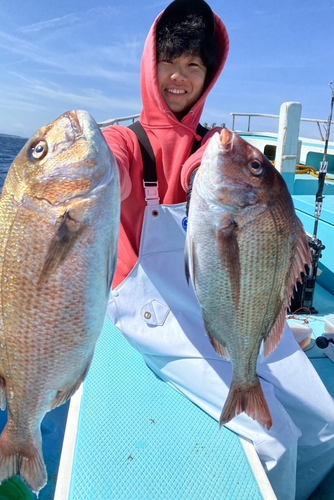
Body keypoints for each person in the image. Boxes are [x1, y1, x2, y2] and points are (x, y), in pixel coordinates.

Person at [103, 1, 334, 499]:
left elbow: (198, 171)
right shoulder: (124, 139)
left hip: (227, 300)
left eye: (194, 66)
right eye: (170, 62)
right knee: (274, 444)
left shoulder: (214, 147)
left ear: (208, 75)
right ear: (151, 64)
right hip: (151, 307)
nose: (179, 77)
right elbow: (111, 162)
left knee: (326, 425)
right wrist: (93, 165)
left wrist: (217, 170)